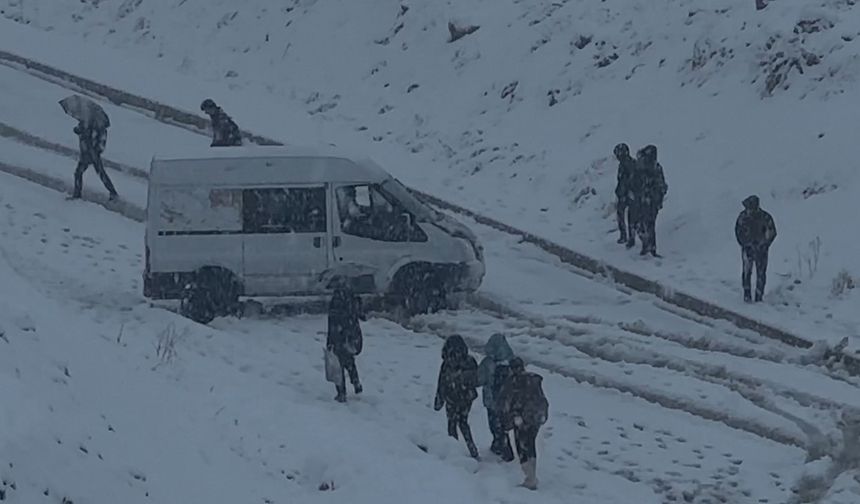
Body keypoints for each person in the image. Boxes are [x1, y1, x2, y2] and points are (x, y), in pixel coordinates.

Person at [498, 357, 549, 490]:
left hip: (520, 419)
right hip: (535, 418)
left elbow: (507, 402)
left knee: (522, 447)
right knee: (530, 445)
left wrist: (508, 421)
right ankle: (532, 475)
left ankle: (530, 478)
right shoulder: (533, 379)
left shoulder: (512, 382)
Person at [434, 335, 480, 459]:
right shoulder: (470, 361)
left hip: (451, 398)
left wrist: (438, 401)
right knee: (463, 422)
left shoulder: (447, 363)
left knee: (452, 423)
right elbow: (477, 380)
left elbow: (441, 382)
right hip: (466, 398)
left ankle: (454, 451)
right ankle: (473, 450)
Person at [477, 333, 515, 461]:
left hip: (491, 401)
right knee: (503, 424)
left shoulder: (488, 363)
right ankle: (499, 444)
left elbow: (479, 379)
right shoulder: (512, 361)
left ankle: (503, 448)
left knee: (494, 425)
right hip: (507, 401)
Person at [326, 282, 365, 402]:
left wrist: (330, 341)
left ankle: (341, 393)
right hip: (351, 336)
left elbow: (332, 322)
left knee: (338, 366)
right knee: (350, 361)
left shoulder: (336, 302)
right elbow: (360, 316)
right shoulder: (352, 300)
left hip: (339, 337)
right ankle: (356, 382)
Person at [734, 195, 777, 303]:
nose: (748, 210)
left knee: (761, 273)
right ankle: (747, 294)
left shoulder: (765, 217)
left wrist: (764, 244)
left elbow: (772, 233)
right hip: (748, 249)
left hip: (761, 250)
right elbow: (738, 232)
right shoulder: (742, 217)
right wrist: (745, 244)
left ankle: (759, 295)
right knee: (747, 272)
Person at [631, 145, 667, 256]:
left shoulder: (656, 169)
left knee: (649, 224)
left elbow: (662, 186)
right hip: (642, 200)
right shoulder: (640, 168)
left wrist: (656, 197)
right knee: (640, 223)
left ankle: (650, 247)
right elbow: (634, 182)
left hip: (651, 201)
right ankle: (647, 245)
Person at [71, 120, 118, 201]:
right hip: (85, 153)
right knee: (80, 173)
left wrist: (95, 151)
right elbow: (77, 130)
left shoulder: (100, 129)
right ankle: (112, 192)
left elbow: (101, 144)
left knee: (98, 173)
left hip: (93, 154)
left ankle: (113, 192)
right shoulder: (85, 123)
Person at [613, 143, 637, 246]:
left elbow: (630, 180)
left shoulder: (630, 164)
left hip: (629, 194)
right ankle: (626, 236)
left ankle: (629, 238)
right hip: (624, 194)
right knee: (623, 215)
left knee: (630, 216)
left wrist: (627, 192)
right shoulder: (623, 165)